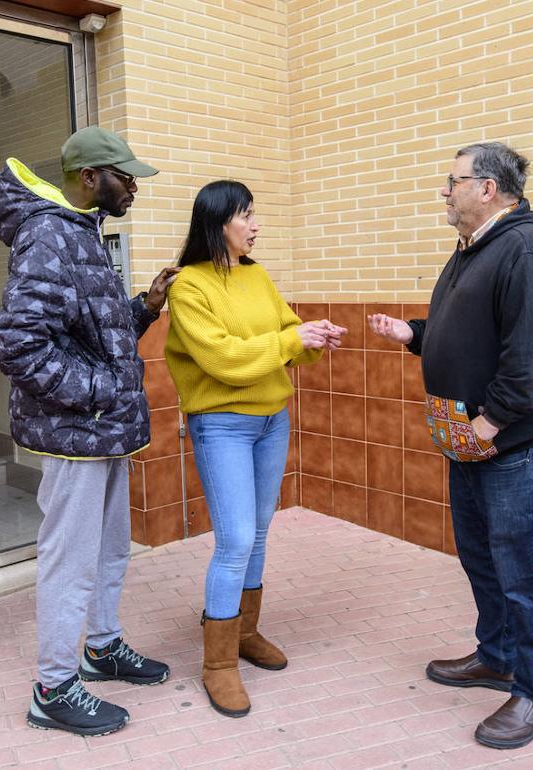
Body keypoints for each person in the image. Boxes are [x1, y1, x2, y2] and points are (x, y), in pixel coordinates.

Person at [368, 142, 533, 750]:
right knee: (482, 559)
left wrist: (488, 426)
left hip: (515, 447)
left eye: (453, 180)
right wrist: (414, 335)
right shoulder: (472, 249)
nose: (444, 190)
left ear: (487, 188)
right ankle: (498, 657)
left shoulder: (526, 251)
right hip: (473, 444)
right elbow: (467, 333)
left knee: (526, 575)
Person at [0, 127, 181, 737]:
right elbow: (20, 345)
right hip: (77, 433)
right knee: (70, 560)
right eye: (126, 177)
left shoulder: (82, 231)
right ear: (90, 177)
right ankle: (53, 688)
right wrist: (100, 393)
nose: (134, 188)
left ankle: (101, 647)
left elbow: (92, 330)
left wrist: (146, 306)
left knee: (109, 549)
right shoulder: (47, 234)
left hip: (104, 431)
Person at [164, 180, 343, 718]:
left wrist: (311, 337)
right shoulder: (188, 286)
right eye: (246, 215)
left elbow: (286, 331)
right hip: (222, 425)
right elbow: (222, 358)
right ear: (218, 222)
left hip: (272, 419)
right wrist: (291, 341)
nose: (255, 225)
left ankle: (244, 633)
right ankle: (218, 664)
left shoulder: (256, 275)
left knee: (259, 530)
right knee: (236, 539)